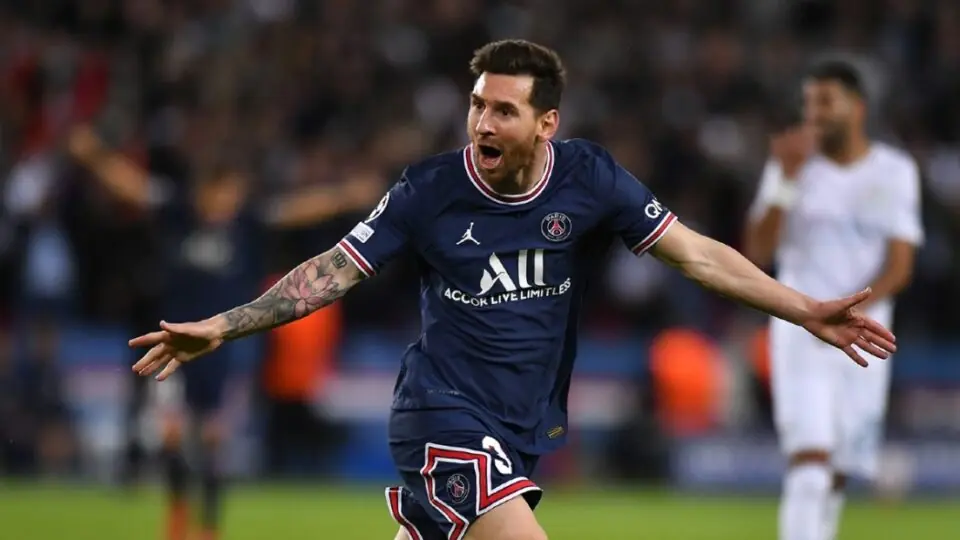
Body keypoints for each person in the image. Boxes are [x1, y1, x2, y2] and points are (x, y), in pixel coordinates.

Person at [131, 41, 897, 540]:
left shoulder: (589, 179)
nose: (482, 123)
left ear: (546, 123)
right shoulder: (428, 191)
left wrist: (804, 310)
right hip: (441, 414)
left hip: (518, 426)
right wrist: (224, 326)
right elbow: (329, 270)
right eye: (477, 105)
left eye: (503, 110)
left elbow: (697, 256)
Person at [69, 126, 380, 540]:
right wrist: (94, 156)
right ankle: (177, 517)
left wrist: (345, 196)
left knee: (215, 436)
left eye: (232, 194)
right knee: (172, 433)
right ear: (205, 190)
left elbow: (296, 208)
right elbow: (132, 186)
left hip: (226, 345)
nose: (225, 202)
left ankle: (210, 526)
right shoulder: (177, 211)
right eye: (219, 193)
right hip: (175, 340)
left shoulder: (248, 222)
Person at [744, 60, 923, 540]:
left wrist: (855, 310)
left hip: (866, 334)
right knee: (811, 457)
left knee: (840, 467)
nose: (813, 114)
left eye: (825, 102)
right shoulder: (790, 165)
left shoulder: (894, 172)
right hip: (802, 328)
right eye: (808, 103)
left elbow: (900, 265)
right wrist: (786, 180)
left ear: (857, 108)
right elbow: (757, 251)